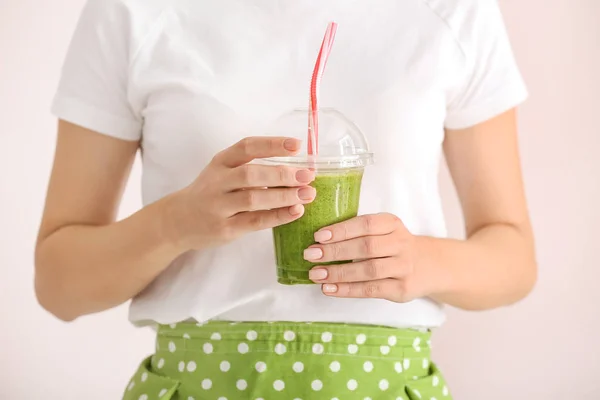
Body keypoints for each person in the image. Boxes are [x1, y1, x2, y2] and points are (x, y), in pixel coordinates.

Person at [35, 0, 537, 398]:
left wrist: (421, 261)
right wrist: (176, 223)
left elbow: (513, 259)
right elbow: (59, 284)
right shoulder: (129, 12)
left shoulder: (454, 11)